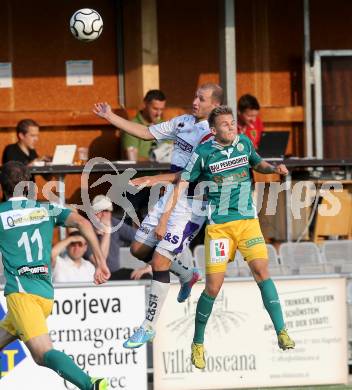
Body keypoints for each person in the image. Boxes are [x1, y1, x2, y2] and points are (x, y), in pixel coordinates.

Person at [158, 105, 295, 369]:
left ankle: (281, 331)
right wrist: (164, 218)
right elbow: (182, 183)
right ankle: (198, 342)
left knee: (261, 269)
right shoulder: (203, 153)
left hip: (247, 222)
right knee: (213, 287)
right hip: (220, 227)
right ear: (213, 130)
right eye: (225, 124)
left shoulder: (244, 142)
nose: (232, 127)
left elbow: (258, 163)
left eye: (232, 123)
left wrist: (274, 169)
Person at [93, 83, 223, 348]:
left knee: (160, 261)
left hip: (192, 204)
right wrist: (110, 117)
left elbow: (189, 176)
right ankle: (188, 275)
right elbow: (145, 132)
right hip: (171, 195)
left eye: (202, 98)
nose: (195, 101)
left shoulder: (213, 136)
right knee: (140, 250)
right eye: (195, 95)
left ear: (214, 105)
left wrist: (155, 178)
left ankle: (148, 326)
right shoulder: (183, 122)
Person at [0, 161, 110, 390]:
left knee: (42, 354)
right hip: (44, 295)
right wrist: (100, 261)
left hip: (22, 295)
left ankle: (91, 385)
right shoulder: (47, 209)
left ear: (3, 186)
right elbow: (82, 222)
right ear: (30, 185)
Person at [90, 195, 152, 280]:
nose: (104, 214)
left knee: (145, 277)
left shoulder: (114, 223)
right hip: (94, 275)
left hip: (115, 273)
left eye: (107, 211)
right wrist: (107, 232)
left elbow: (145, 240)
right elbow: (100, 263)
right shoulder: (86, 229)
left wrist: (148, 267)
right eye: (99, 211)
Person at [121, 89, 166, 161]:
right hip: (142, 171)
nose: (159, 113)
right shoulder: (131, 127)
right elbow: (132, 159)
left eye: (161, 109)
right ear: (145, 104)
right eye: (155, 109)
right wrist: (156, 162)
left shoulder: (164, 125)